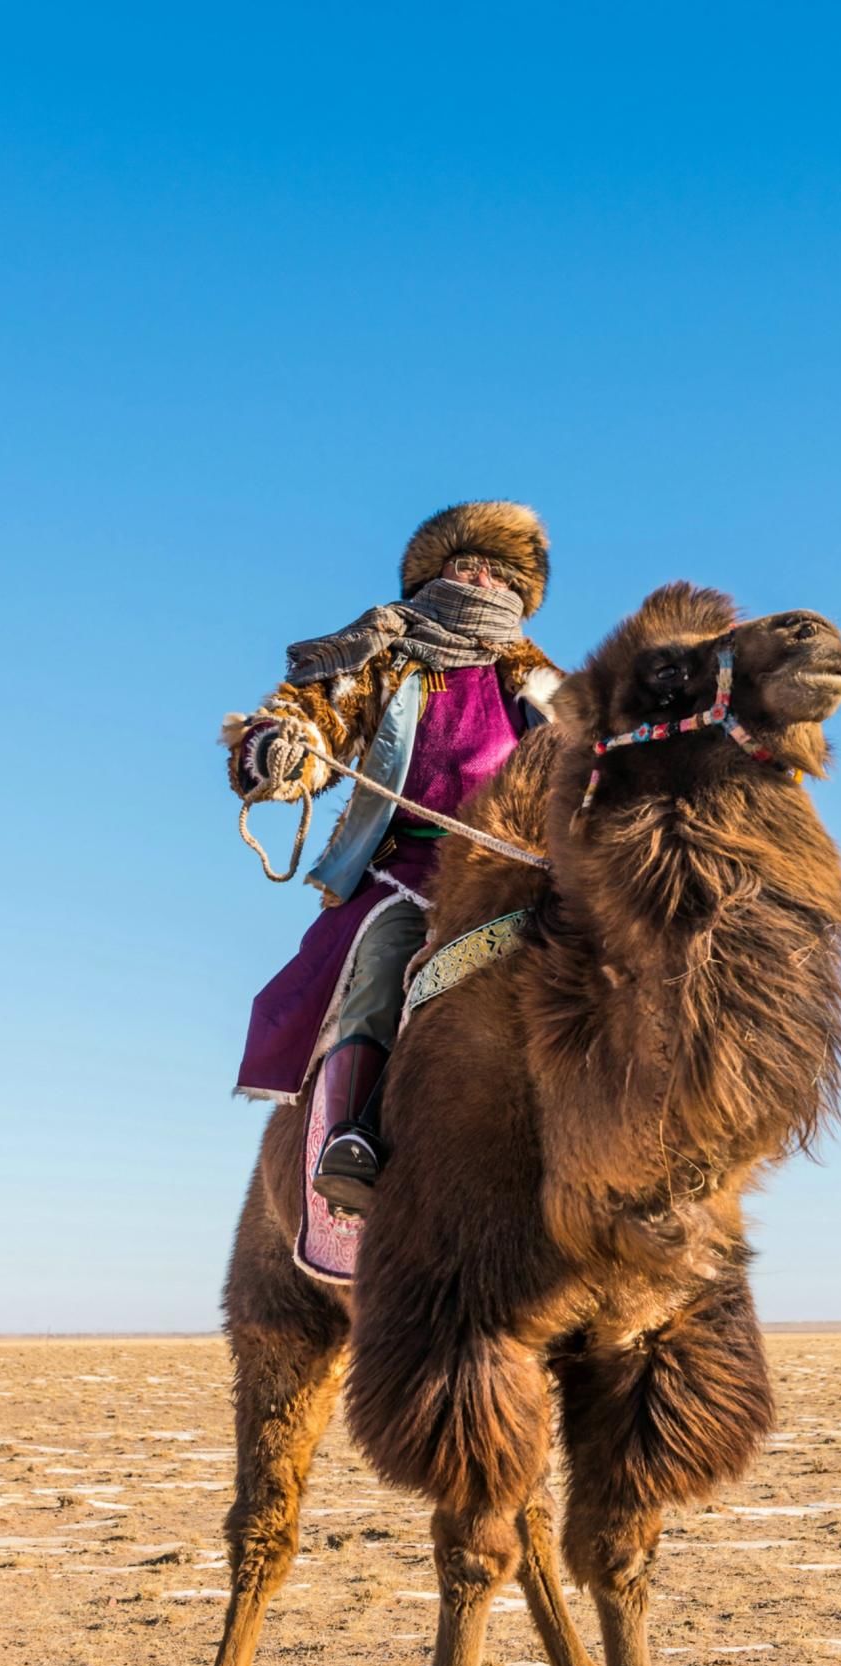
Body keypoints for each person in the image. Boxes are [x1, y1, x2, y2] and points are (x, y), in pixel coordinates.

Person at [223, 501, 561, 1217]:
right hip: (408, 872)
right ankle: (351, 1139)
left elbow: (599, 757)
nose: (485, 580)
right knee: (380, 963)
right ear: (434, 576)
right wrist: (278, 749)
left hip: (520, 875)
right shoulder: (386, 657)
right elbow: (316, 716)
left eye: (503, 574)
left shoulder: (540, 684)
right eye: (469, 565)